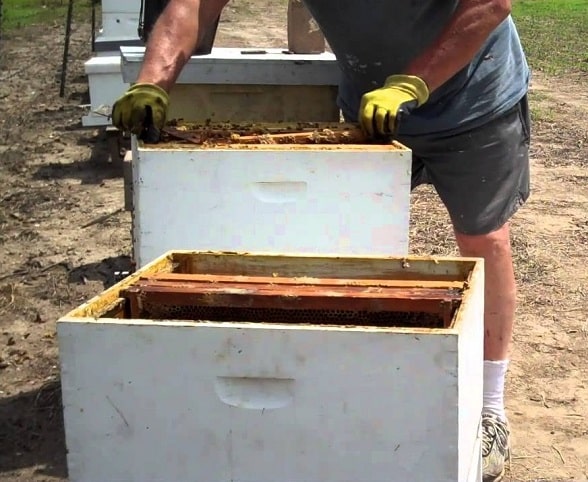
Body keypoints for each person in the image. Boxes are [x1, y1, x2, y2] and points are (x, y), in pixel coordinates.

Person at [112, 1, 531, 480]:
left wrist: (414, 83)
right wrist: (152, 80)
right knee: (354, 242)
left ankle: (489, 410)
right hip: (373, 105)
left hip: (474, 99)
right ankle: (361, 378)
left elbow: (491, 3)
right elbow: (191, 5)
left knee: (484, 239)